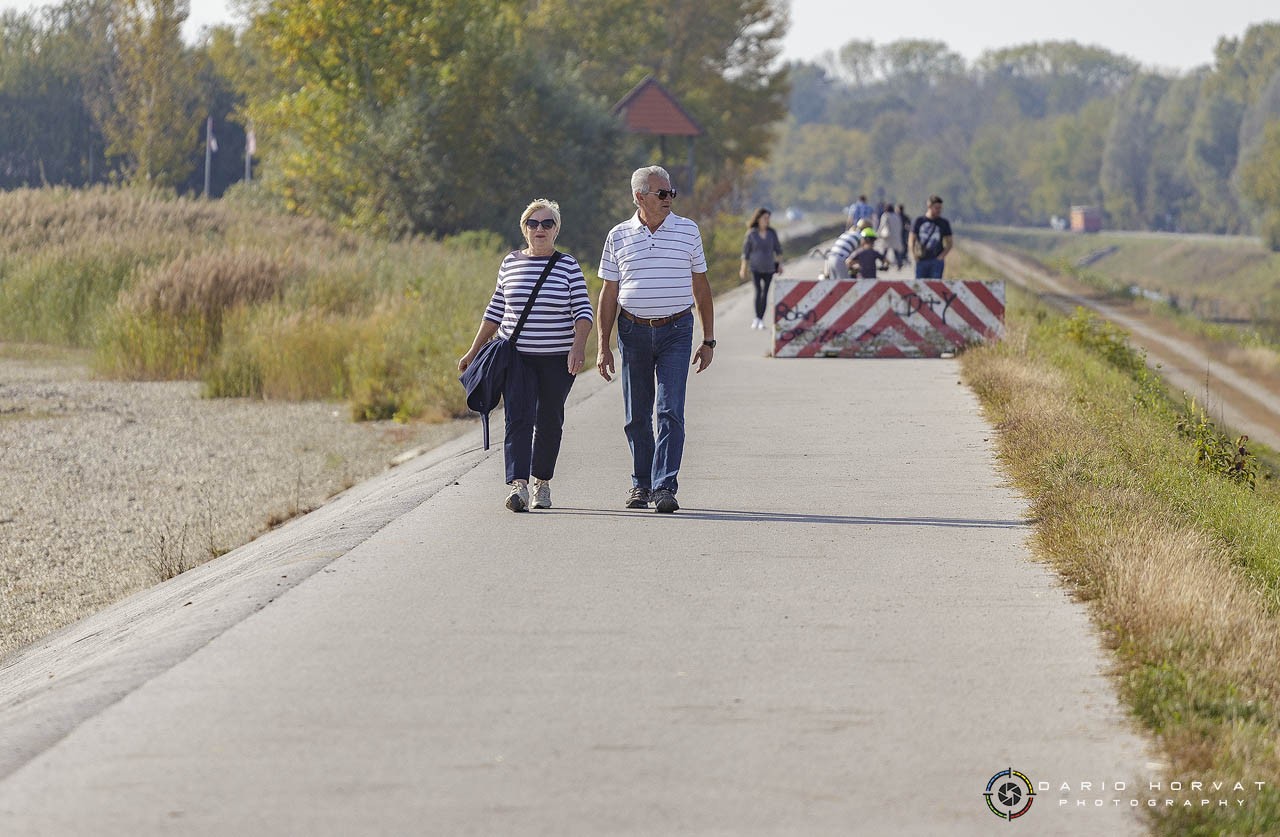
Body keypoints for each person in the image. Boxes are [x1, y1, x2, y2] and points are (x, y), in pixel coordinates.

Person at [458, 198, 593, 513]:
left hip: (556, 359)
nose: (540, 229)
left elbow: (583, 312)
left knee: (549, 420)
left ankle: (541, 484)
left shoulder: (568, 265)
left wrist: (578, 345)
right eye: (533, 224)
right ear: (524, 229)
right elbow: (495, 311)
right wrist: (473, 350)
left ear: (556, 229)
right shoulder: (510, 263)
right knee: (517, 418)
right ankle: (517, 485)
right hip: (516, 356)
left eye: (547, 223)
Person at [597, 165, 715, 514]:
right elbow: (608, 292)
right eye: (662, 193)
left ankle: (665, 486)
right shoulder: (618, 236)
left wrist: (709, 339)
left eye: (671, 193)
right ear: (639, 197)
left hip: (677, 330)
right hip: (631, 331)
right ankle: (640, 484)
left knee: (670, 410)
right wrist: (603, 345)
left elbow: (701, 286)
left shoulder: (687, 231)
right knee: (636, 415)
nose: (669, 199)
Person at [740, 207, 783, 330]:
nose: (767, 220)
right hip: (755, 268)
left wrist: (779, 265)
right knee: (758, 292)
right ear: (758, 218)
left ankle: (761, 319)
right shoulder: (751, 234)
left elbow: (778, 250)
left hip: (769, 268)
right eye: (765, 218)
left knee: (765, 293)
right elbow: (745, 253)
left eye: (768, 218)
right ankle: (756, 318)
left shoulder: (771, 233)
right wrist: (743, 268)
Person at [909, 195, 953, 279]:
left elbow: (950, 243)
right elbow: (911, 240)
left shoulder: (944, 223)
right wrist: (913, 255)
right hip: (921, 259)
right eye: (937, 208)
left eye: (940, 208)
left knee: (935, 287)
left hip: (936, 261)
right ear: (929, 206)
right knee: (920, 286)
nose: (939, 210)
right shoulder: (918, 221)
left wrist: (941, 257)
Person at [877, 201, 904, 269]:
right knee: (896, 251)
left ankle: (883, 263)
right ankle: (899, 264)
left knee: (885, 251)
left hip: (887, 236)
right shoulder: (897, 216)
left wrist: (878, 233)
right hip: (895, 236)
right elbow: (900, 226)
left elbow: (882, 225)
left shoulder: (885, 215)